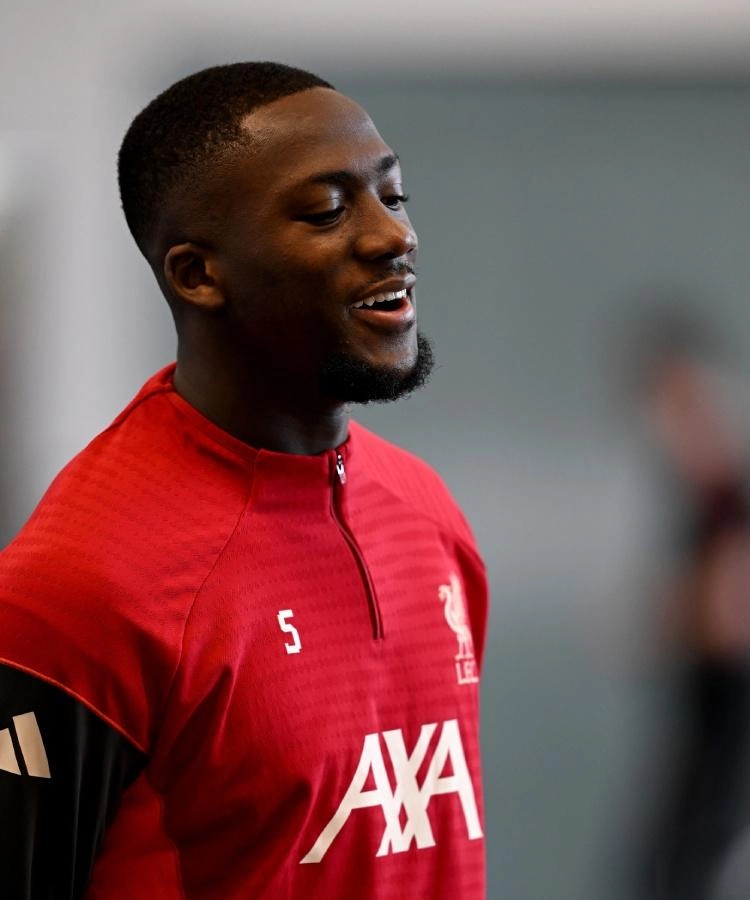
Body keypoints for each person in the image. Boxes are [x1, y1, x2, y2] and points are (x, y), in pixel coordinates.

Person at [0, 62, 488, 898]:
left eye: (393, 196)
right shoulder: (82, 585)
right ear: (198, 275)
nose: (391, 236)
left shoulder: (426, 513)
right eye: (327, 210)